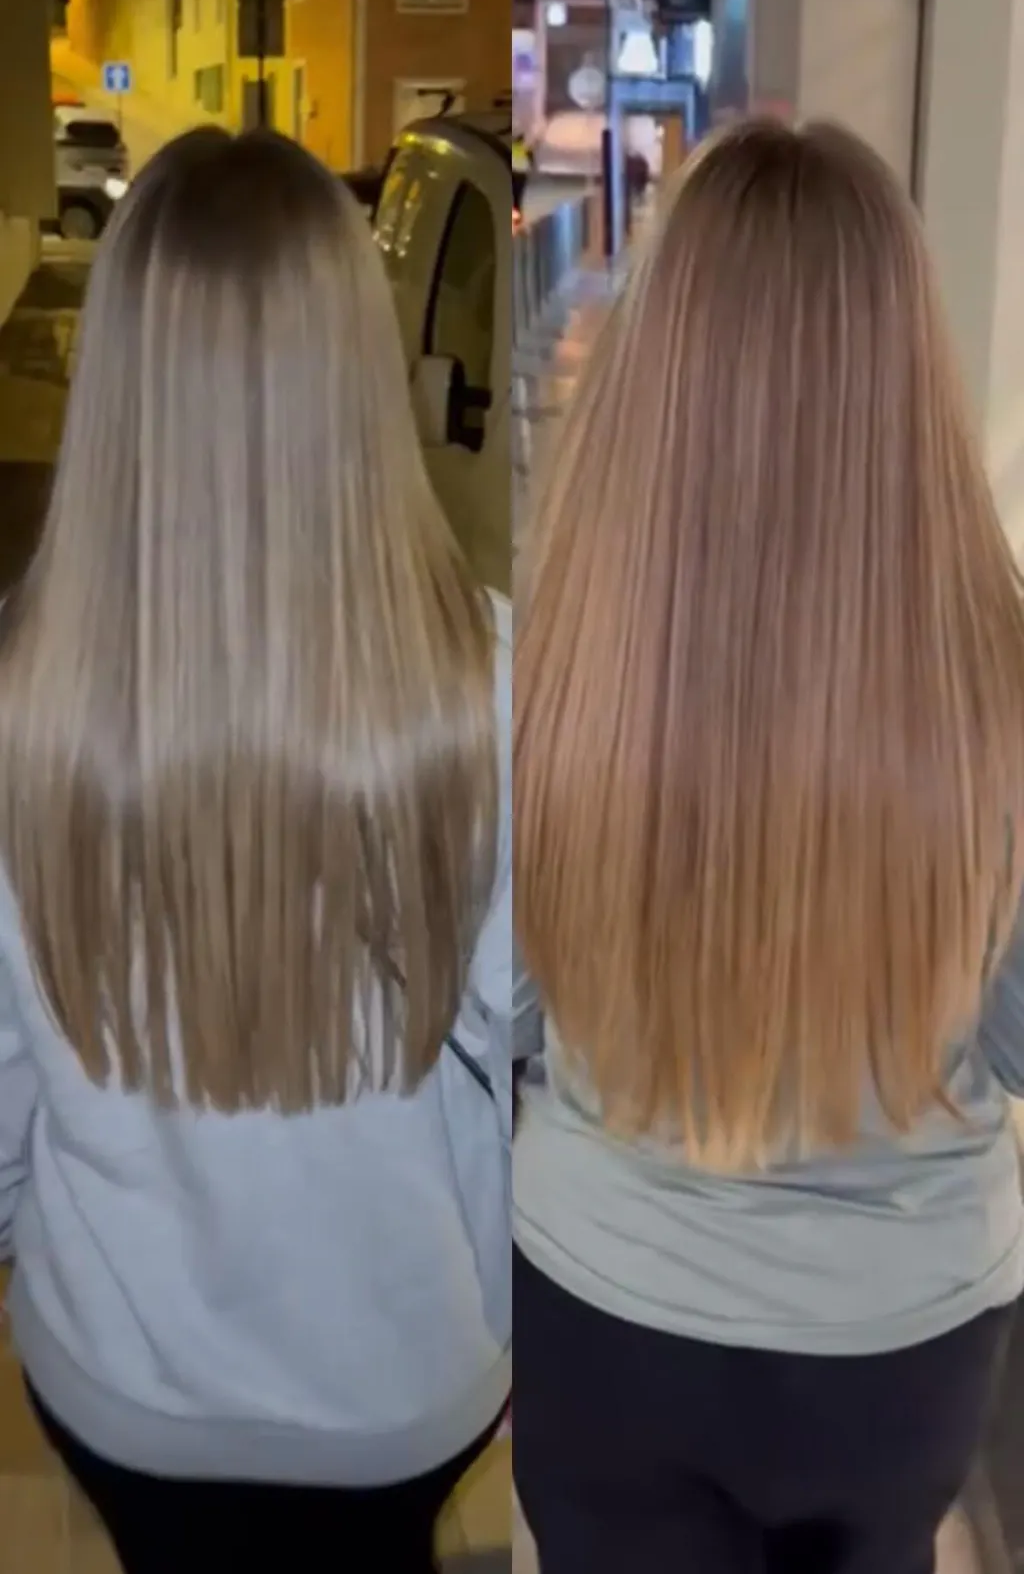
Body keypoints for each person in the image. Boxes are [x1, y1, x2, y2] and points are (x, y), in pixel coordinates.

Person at [0, 128, 525, 1573]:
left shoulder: (23, 698)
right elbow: (531, 1046)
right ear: (356, 369)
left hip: (124, 1379)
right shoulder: (492, 685)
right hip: (407, 1385)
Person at [513, 118, 1024, 1574]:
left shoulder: (552, 662)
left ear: (657, 364)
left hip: (607, 1308)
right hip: (902, 1339)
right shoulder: (1003, 678)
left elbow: (511, 1012)